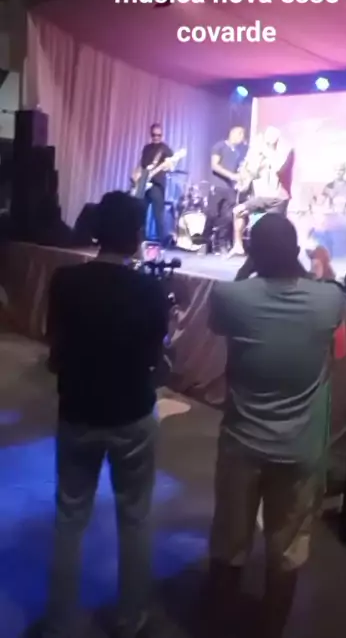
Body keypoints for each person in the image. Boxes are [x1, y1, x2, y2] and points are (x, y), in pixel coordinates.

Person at [207, 214, 346, 637]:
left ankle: (217, 626)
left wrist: (249, 266)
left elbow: (222, 314)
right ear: (297, 251)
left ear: (252, 253)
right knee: (287, 551)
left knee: (229, 544)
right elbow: (330, 290)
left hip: (241, 444)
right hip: (300, 450)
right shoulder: (329, 301)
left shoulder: (230, 297)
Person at [43, 191, 170, 638]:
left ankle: (59, 623)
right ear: (136, 236)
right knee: (135, 518)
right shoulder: (151, 291)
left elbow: (55, 350)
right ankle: (131, 619)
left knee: (69, 518)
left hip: (78, 411)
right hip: (132, 413)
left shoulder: (64, 281)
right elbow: (157, 362)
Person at [229, 126, 295, 257]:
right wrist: (243, 182)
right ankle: (240, 246)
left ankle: (243, 247)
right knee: (251, 219)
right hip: (264, 197)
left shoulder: (280, 154)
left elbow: (279, 168)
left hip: (275, 196)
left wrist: (265, 152)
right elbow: (250, 174)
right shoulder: (258, 156)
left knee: (241, 212)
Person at [131, 123, 174, 243]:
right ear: (151, 135)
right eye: (154, 135)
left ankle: (162, 242)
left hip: (157, 184)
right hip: (143, 182)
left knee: (158, 214)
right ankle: (140, 241)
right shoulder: (147, 148)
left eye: (159, 135)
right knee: (140, 212)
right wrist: (136, 175)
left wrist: (168, 166)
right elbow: (142, 165)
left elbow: (171, 166)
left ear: (162, 135)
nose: (156, 137)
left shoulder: (165, 149)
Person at [207, 126, 248, 250]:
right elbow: (215, 166)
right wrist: (231, 176)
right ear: (233, 134)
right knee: (212, 214)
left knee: (228, 216)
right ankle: (205, 241)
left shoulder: (239, 152)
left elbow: (240, 168)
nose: (242, 139)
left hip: (230, 188)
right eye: (241, 135)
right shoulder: (219, 146)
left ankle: (222, 243)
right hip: (217, 186)